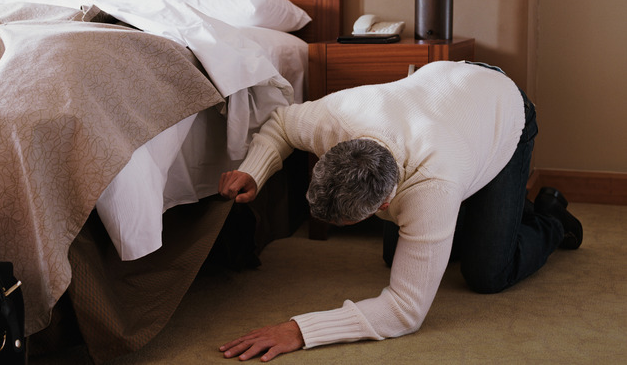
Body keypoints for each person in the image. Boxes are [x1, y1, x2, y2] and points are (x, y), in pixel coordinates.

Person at [217, 60, 583, 362]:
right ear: (332, 151)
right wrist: (254, 168)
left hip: (503, 108)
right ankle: (491, 212)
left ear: (386, 203)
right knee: (398, 257)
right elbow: (281, 122)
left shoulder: (433, 185)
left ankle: (550, 217)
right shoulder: (336, 117)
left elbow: (406, 311)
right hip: (445, 93)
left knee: (487, 274)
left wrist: (300, 330)